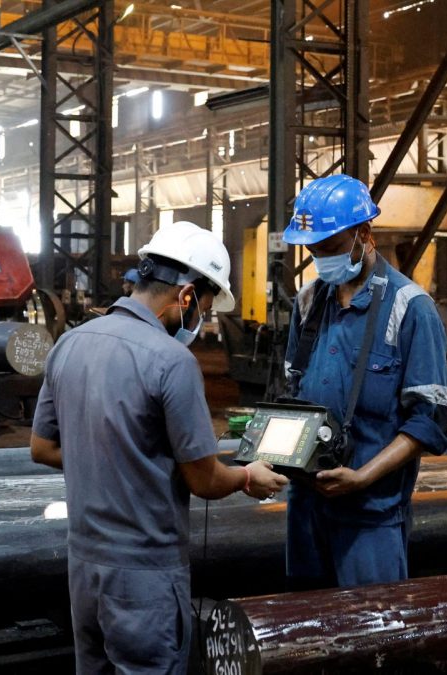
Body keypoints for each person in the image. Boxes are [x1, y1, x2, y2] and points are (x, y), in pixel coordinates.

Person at [30, 220, 288, 674]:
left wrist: (112, 458)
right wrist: (248, 476)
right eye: (204, 308)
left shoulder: (70, 343)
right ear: (186, 297)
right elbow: (205, 479)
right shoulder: (171, 361)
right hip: (143, 575)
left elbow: (41, 447)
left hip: (84, 565)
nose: (200, 320)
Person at [282, 174, 447, 590]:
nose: (321, 259)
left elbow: (429, 421)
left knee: (372, 635)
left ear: (363, 234)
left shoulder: (411, 309)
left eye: (331, 248)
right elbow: (292, 395)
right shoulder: (308, 304)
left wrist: (363, 477)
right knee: (306, 633)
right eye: (313, 250)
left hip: (370, 517)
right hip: (305, 510)